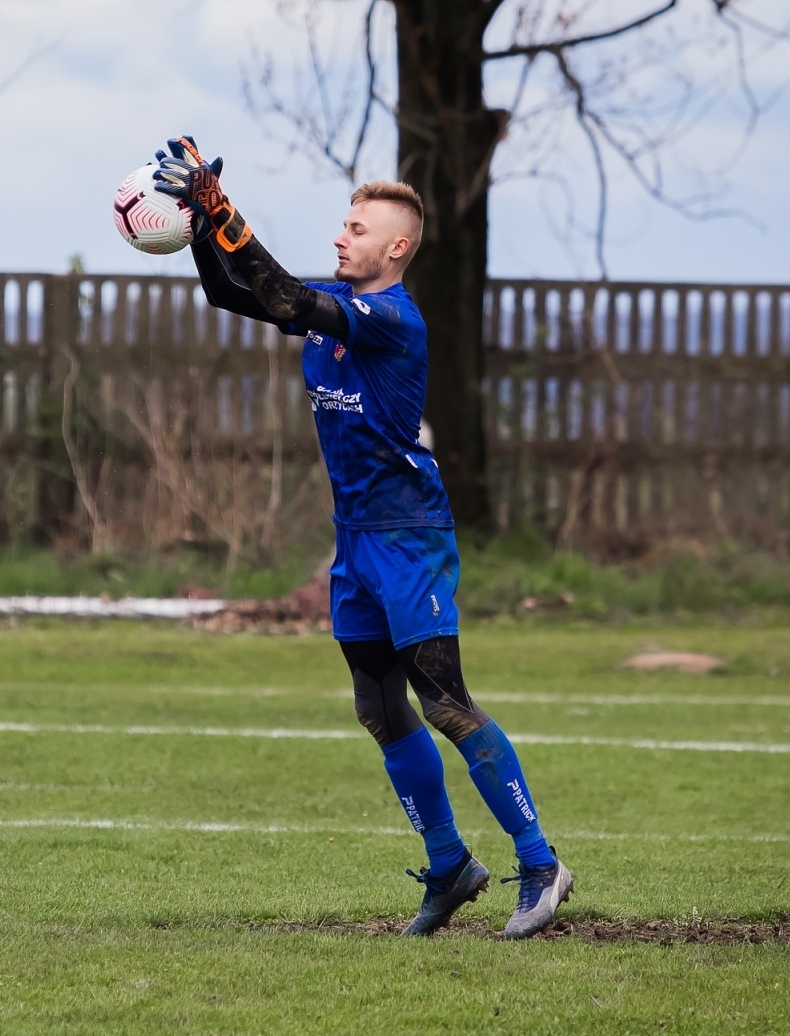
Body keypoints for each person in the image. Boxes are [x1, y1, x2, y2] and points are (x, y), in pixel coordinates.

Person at [152, 136, 572, 940]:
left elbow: (283, 296)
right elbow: (241, 294)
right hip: (356, 541)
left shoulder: (392, 320)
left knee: (444, 702)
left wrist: (221, 209)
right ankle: (449, 865)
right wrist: (202, 227)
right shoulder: (330, 306)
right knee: (380, 707)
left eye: (357, 226)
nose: (341, 235)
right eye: (342, 223)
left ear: (397, 247)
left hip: (411, 537)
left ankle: (542, 861)